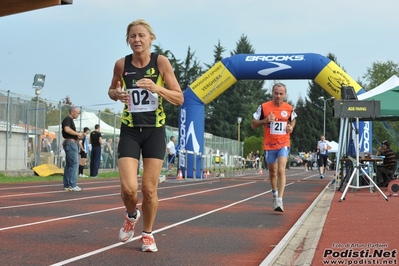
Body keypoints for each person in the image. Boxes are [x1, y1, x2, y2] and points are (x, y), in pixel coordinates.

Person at [107, 19, 184, 252]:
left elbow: (179, 97)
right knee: (129, 189)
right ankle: (131, 215)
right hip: (130, 130)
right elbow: (111, 89)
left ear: (151, 38)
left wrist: (156, 88)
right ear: (128, 40)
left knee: (149, 190)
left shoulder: (160, 62)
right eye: (132, 36)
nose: (137, 40)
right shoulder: (121, 64)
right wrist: (116, 94)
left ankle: (148, 235)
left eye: (141, 36)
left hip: (154, 130)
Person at [251, 83, 296, 212]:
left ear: (285, 94)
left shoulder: (289, 108)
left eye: (281, 93)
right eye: (276, 93)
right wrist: (264, 121)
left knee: (281, 170)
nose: (278, 96)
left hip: (283, 142)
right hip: (269, 145)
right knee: (273, 172)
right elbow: (253, 124)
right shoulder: (264, 107)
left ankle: (280, 201)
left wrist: (291, 127)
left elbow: (293, 119)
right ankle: (274, 193)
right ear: (272, 93)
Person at [61, 107, 84, 192]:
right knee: (74, 163)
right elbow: (67, 129)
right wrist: (77, 133)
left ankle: (67, 185)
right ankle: (72, 184)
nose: (78, 115)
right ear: (72, 112)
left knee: (69, 165)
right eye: (77, 113)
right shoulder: (68, 119)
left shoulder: (69, 120)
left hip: (70, 143)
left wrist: (77, 135)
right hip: (71, 143)